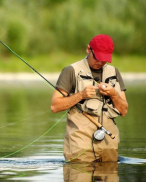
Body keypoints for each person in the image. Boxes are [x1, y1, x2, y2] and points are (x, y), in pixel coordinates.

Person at [51, 34, 128, 162]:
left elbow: (124, 111)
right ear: (88, 49)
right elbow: (55, 106)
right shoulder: (71, 71)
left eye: (104, 60)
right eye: (97, 58)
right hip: (79, 144)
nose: (100, 63)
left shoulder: (114, 72)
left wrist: (113, 94)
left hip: (109, 143)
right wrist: (81, 95)